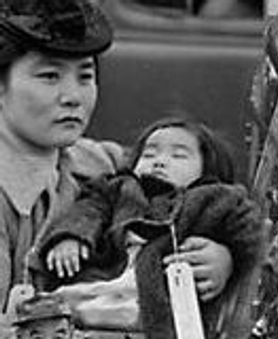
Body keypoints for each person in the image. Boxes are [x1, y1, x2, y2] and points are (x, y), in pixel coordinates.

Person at [0, 0, 234, 314]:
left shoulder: (101, 161)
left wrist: (220, 256)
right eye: (49, 77)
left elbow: (204, 198)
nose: (72, 97)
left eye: (85, 76)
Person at [34, 116, 263, 339]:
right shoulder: (120, 187)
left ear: (208, 168)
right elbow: (89, 208)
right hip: (109, 276)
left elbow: (249, 231)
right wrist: (72, 236)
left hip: (159, 296)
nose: (159, 162)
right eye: (149, 154)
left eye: (179, 156)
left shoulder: (216, 198)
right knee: (64, 304)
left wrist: (226, 258)